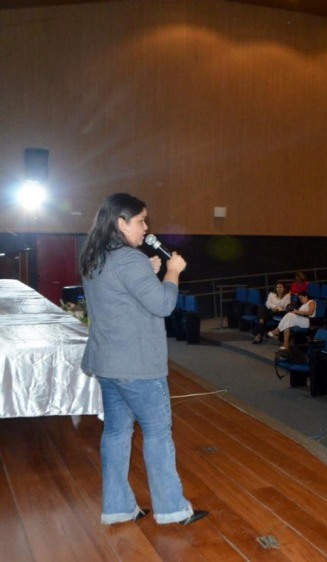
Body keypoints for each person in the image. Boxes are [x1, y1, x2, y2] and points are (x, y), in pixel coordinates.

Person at [79, 193, 205, 526]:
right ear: (121, 223)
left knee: (117, 433)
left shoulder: (95, 257)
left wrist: (149, 273)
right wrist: (172, 273)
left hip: (107, 364)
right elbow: (163, 304)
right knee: (158, 434)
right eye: (141, 221)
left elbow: (121, 298)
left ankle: (118, 507)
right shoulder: (129, 259)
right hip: (137, 366)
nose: (146, 227)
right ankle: (172, 508)